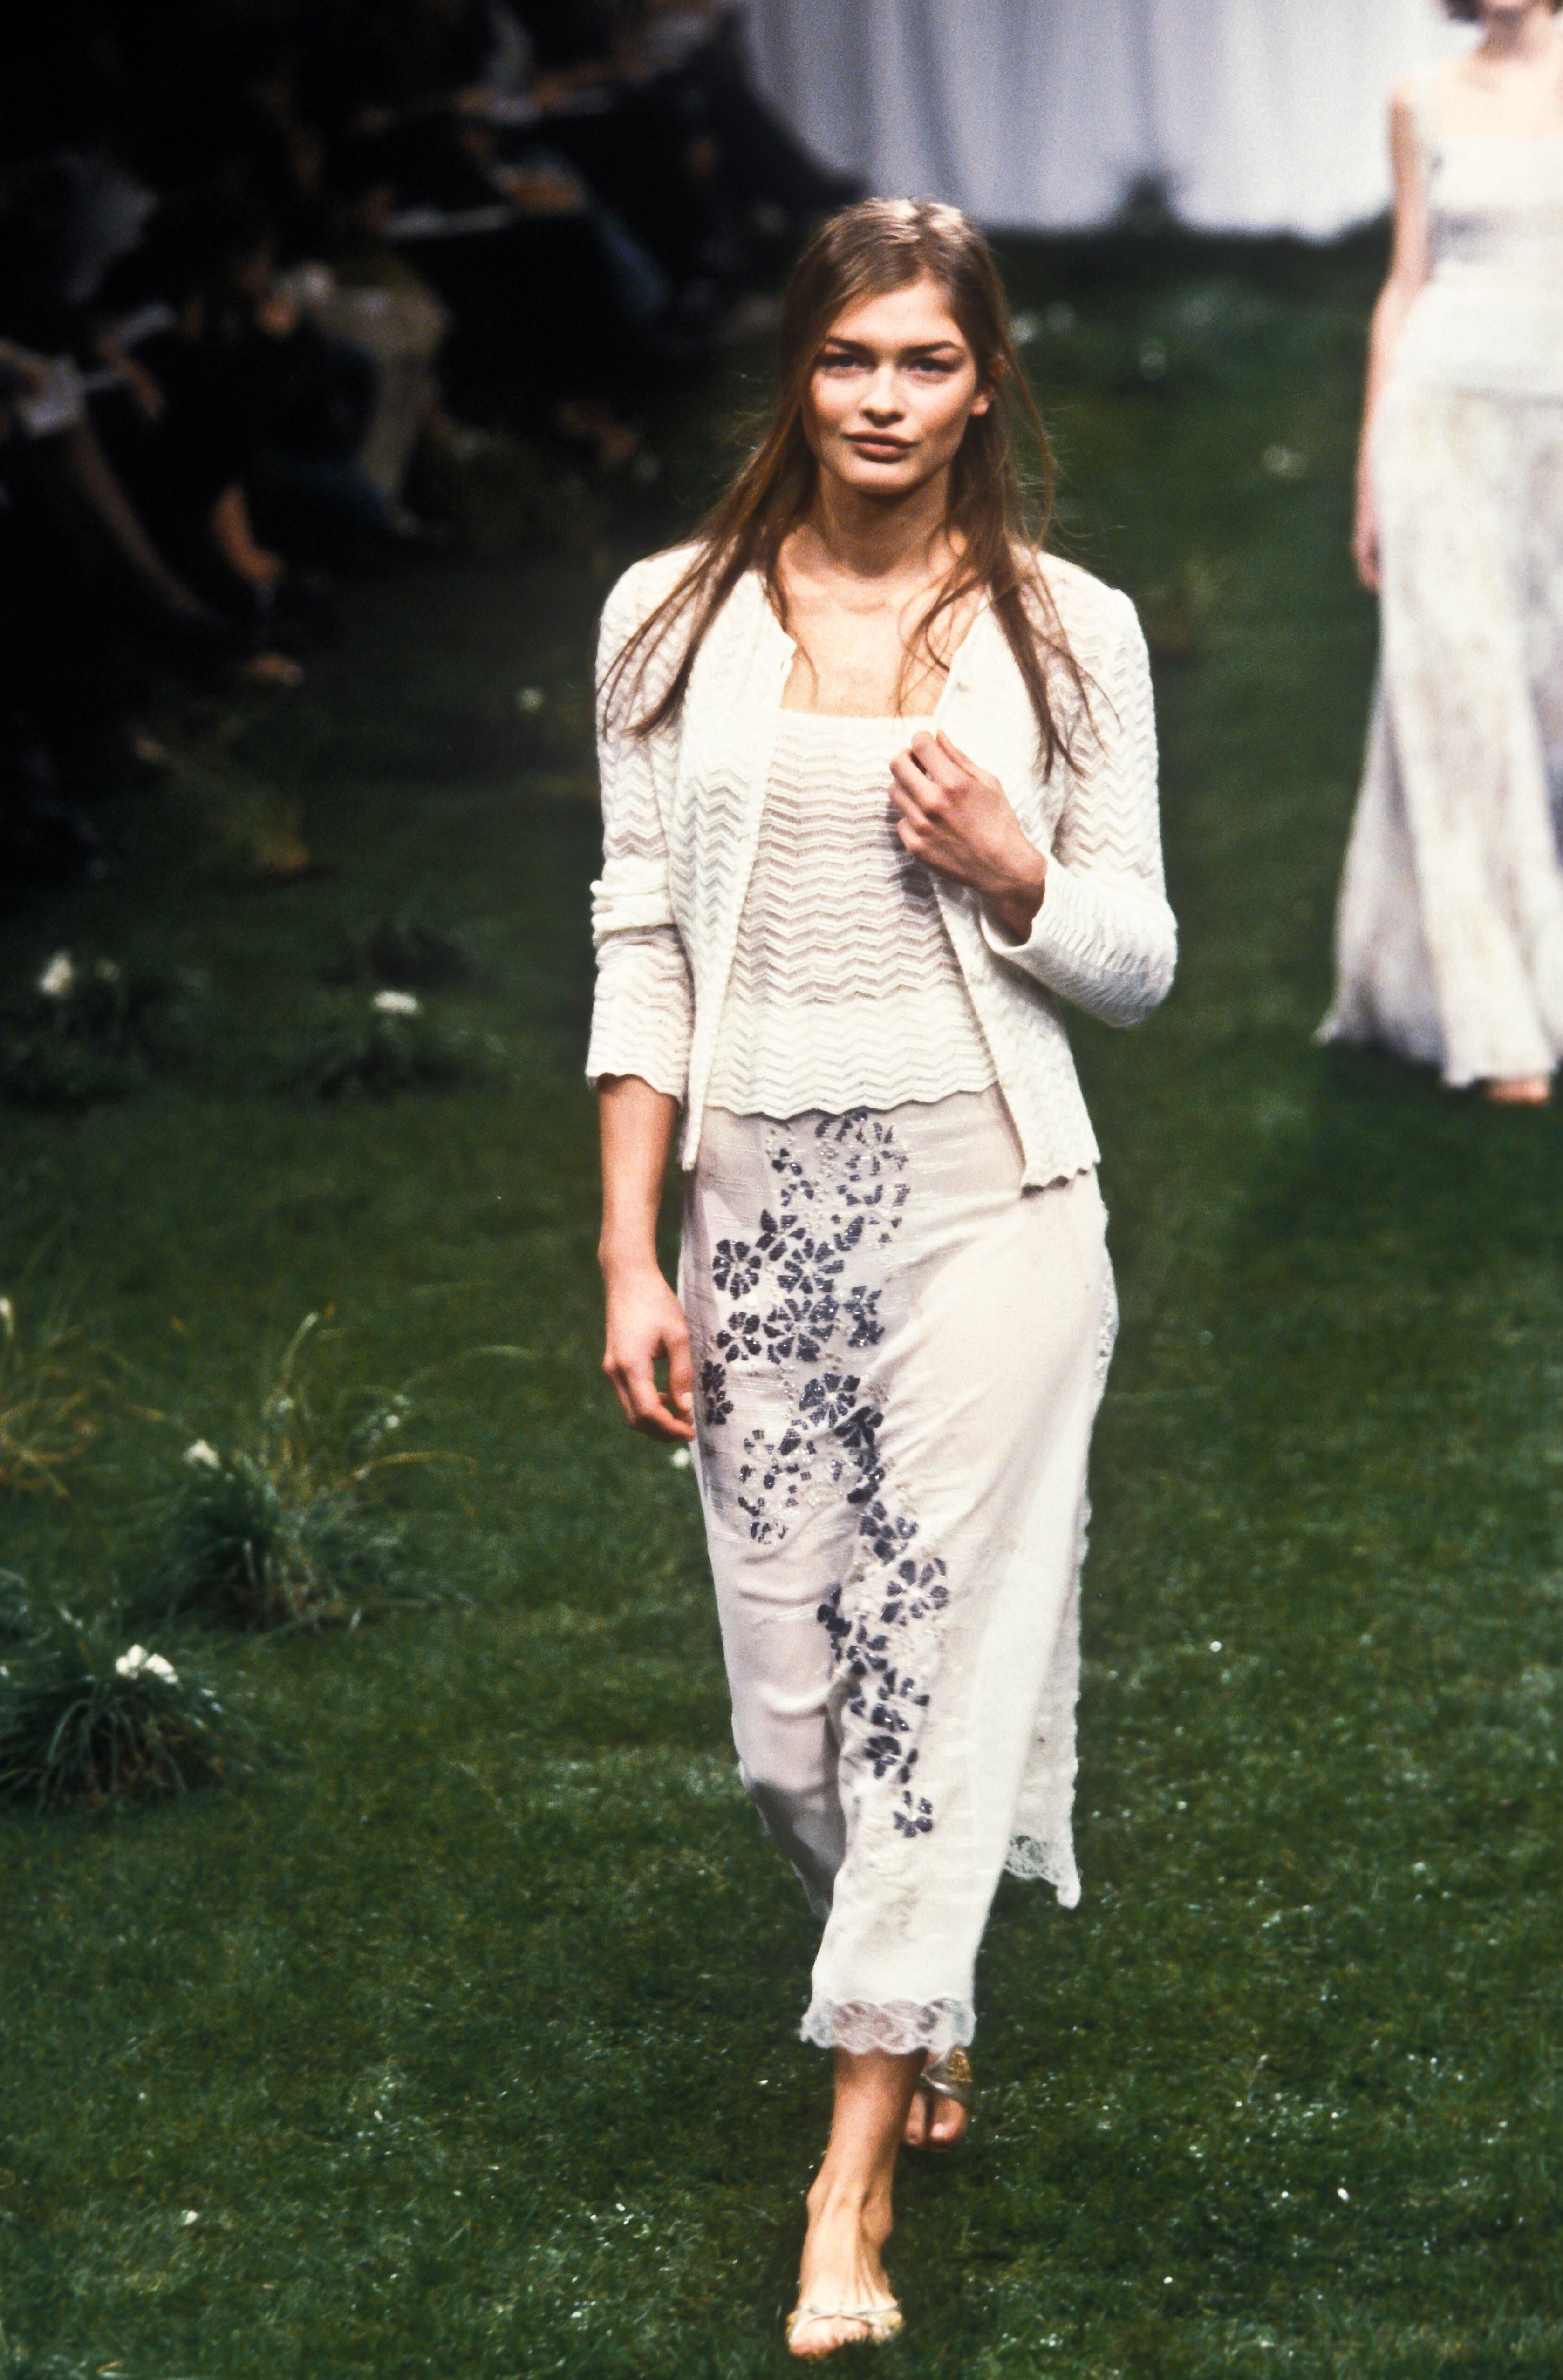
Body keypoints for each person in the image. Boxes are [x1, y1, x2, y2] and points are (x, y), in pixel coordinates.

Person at [587, 198, 1174, 2357]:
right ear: (797, 371)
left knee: (929, 1665)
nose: (887, 399)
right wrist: (626, 1247)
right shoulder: (667, 620)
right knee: (789, 1732)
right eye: (852, 357)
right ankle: (916, 1976)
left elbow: (1137, 956)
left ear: (983, 384)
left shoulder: (1065, 633)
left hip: (991, 1207)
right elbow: (638, 939)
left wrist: (1018, 872)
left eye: (929, 361)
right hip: (756, 1222)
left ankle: (848, 2188)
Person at [1322, 0, 1563, 1103]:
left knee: (1549, 708)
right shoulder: (1419, 98)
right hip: (1444, 421)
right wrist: (1372, 467)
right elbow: (1405, 280)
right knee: (1466, 704)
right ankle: (1499, 1017)